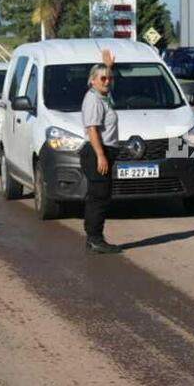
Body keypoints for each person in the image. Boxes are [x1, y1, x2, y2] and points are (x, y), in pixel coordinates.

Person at [80, 49, 121, 254]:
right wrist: (101, 155)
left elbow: (107, 81)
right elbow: (92, 129)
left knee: (101, 195)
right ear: (92, 81)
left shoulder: (103, 96)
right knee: (99, 197)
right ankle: (95, 238)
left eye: (109, 78)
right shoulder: (93, 100)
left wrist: (108, 67)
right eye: (102, 78)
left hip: (105, 150)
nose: (107, 81)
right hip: (97, 151)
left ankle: (94, 237)